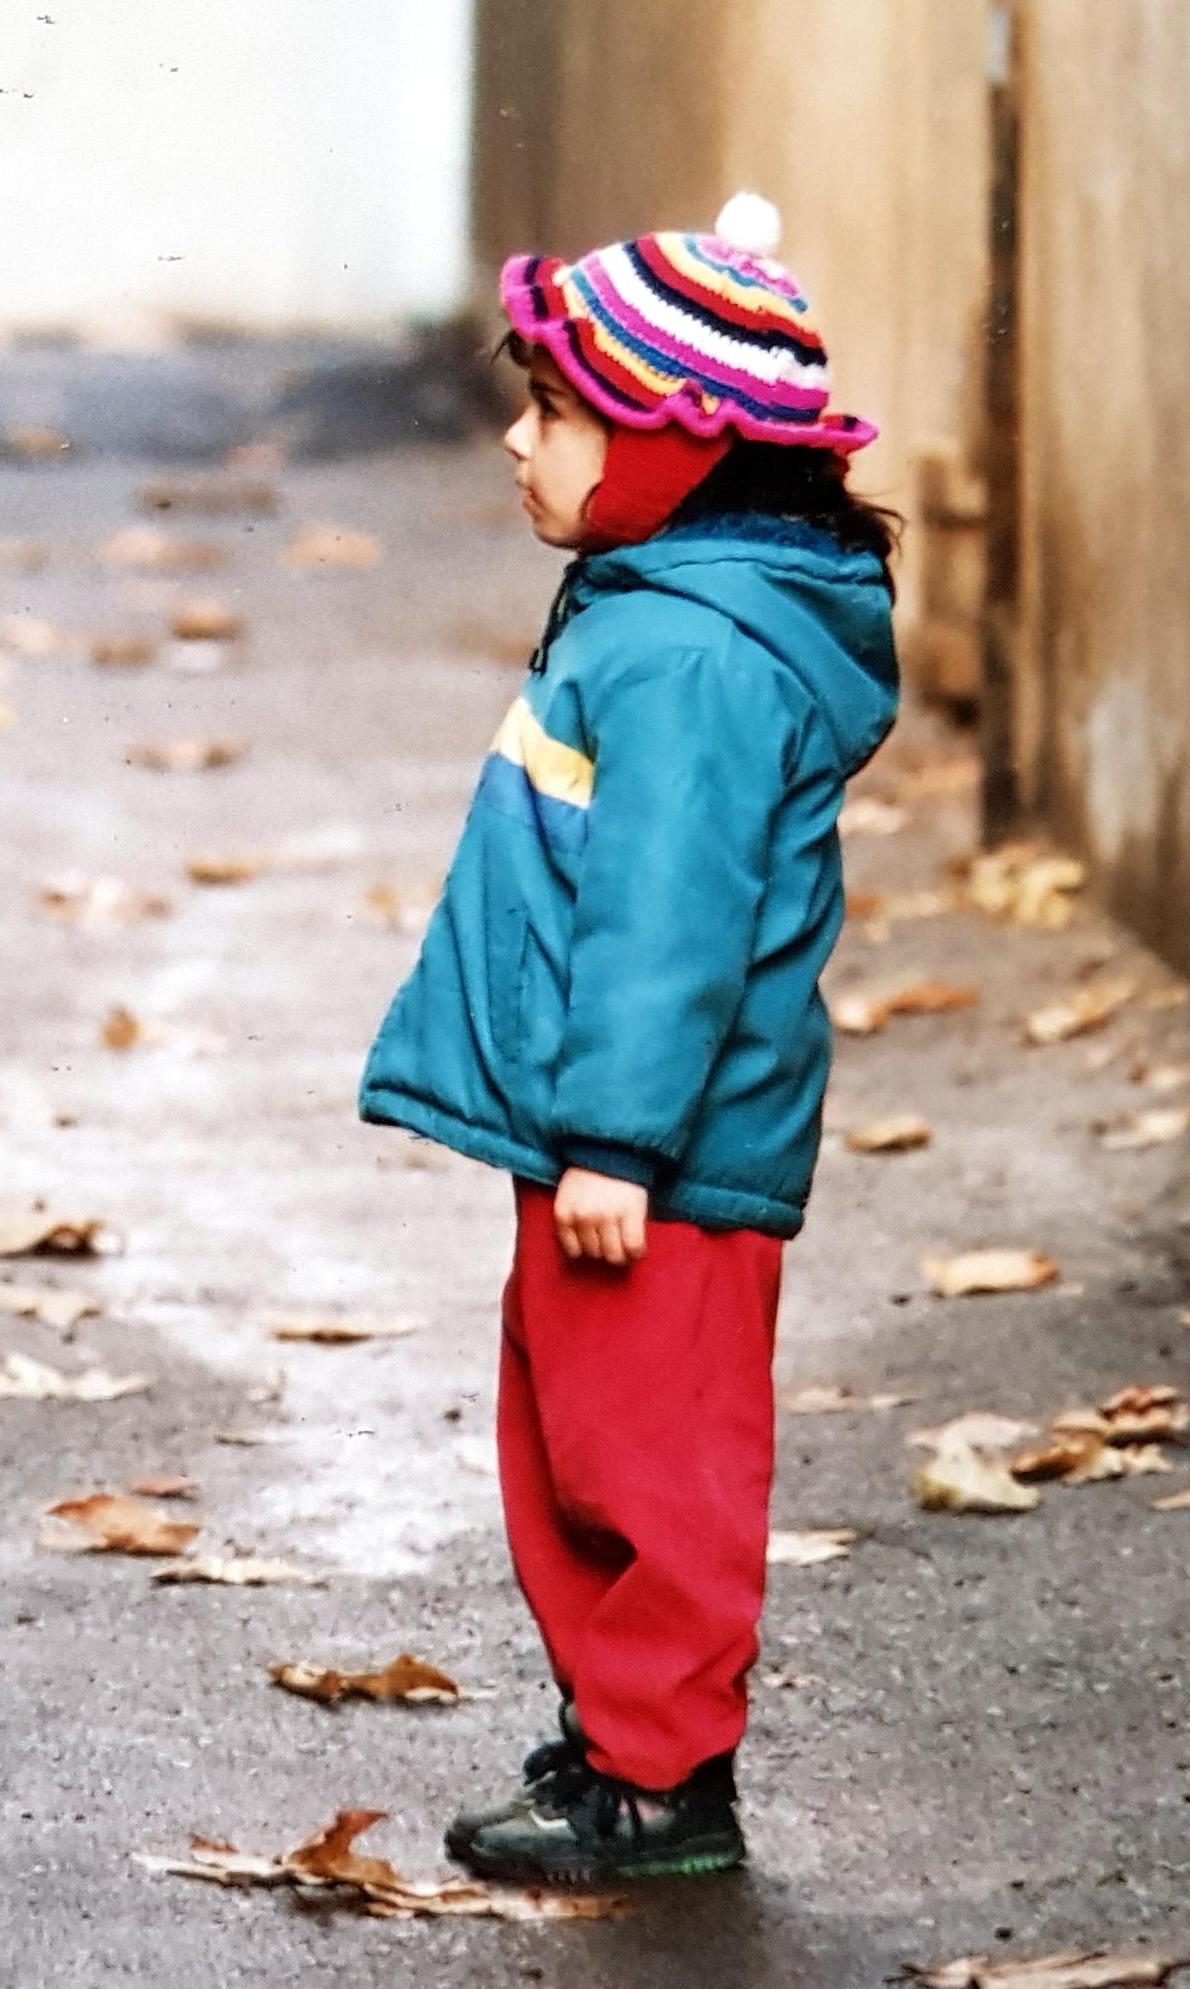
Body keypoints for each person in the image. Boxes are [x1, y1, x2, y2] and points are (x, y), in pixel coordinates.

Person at [356, 196, 899, 1883]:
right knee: (572, 1439)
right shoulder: (652, 602)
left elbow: (669, 920)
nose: (518, 441)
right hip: (618, 1142)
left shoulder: (686, 653)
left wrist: (613, 1137)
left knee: (649, 1462)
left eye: (553, 411)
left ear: (670, 443)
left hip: (653, 1153)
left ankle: (661, 1783)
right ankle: (619, 1741)